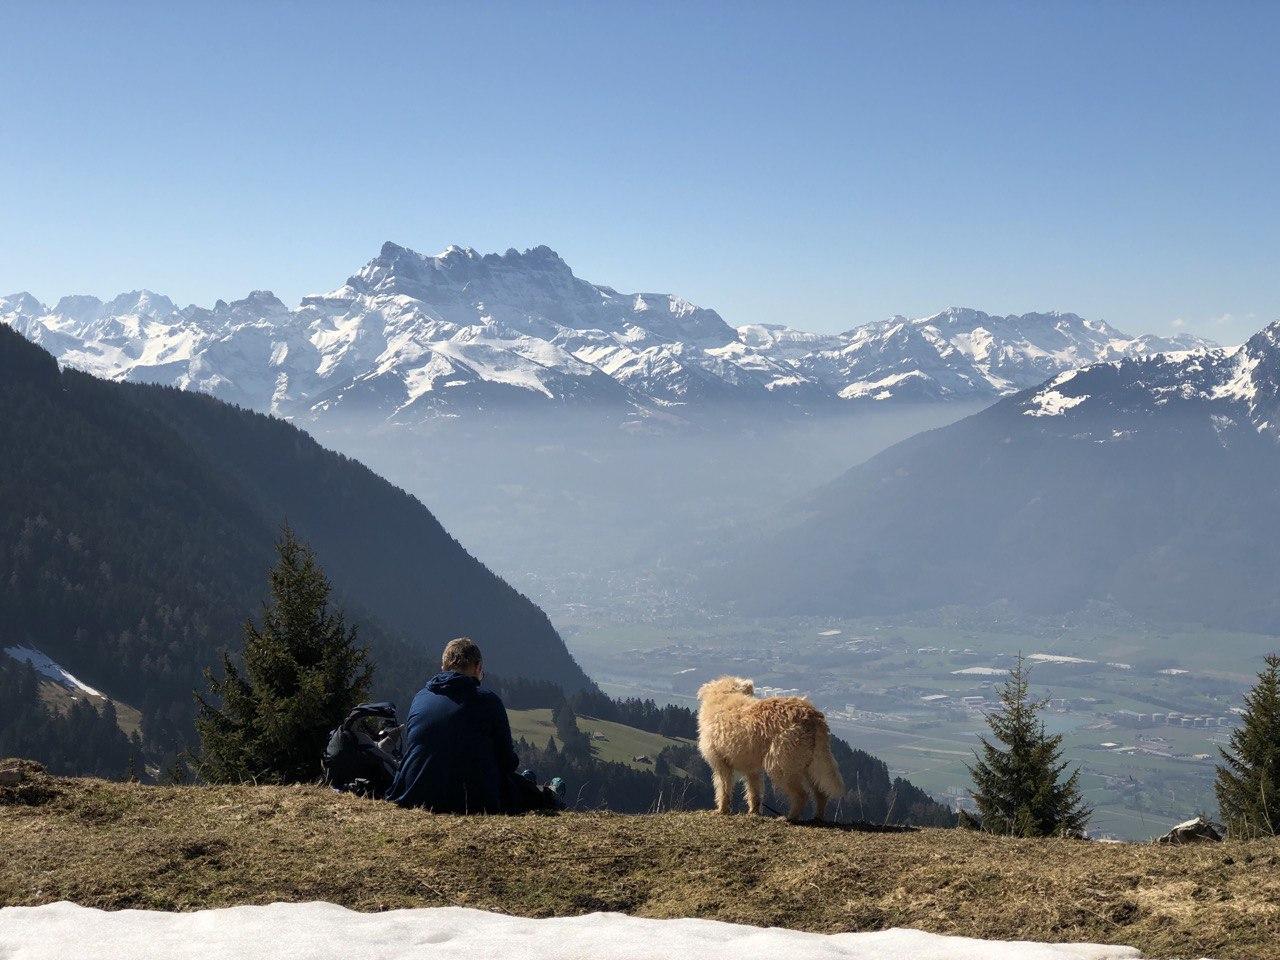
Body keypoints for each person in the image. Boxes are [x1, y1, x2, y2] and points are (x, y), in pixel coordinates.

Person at [387, 637, 558, 813]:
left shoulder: (421, 697)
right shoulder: (488, 702)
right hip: (471, 802)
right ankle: (550, 796)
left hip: (414, 795)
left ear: (443, 667)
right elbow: (506, 762)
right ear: (478, 667)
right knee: (521, 785)